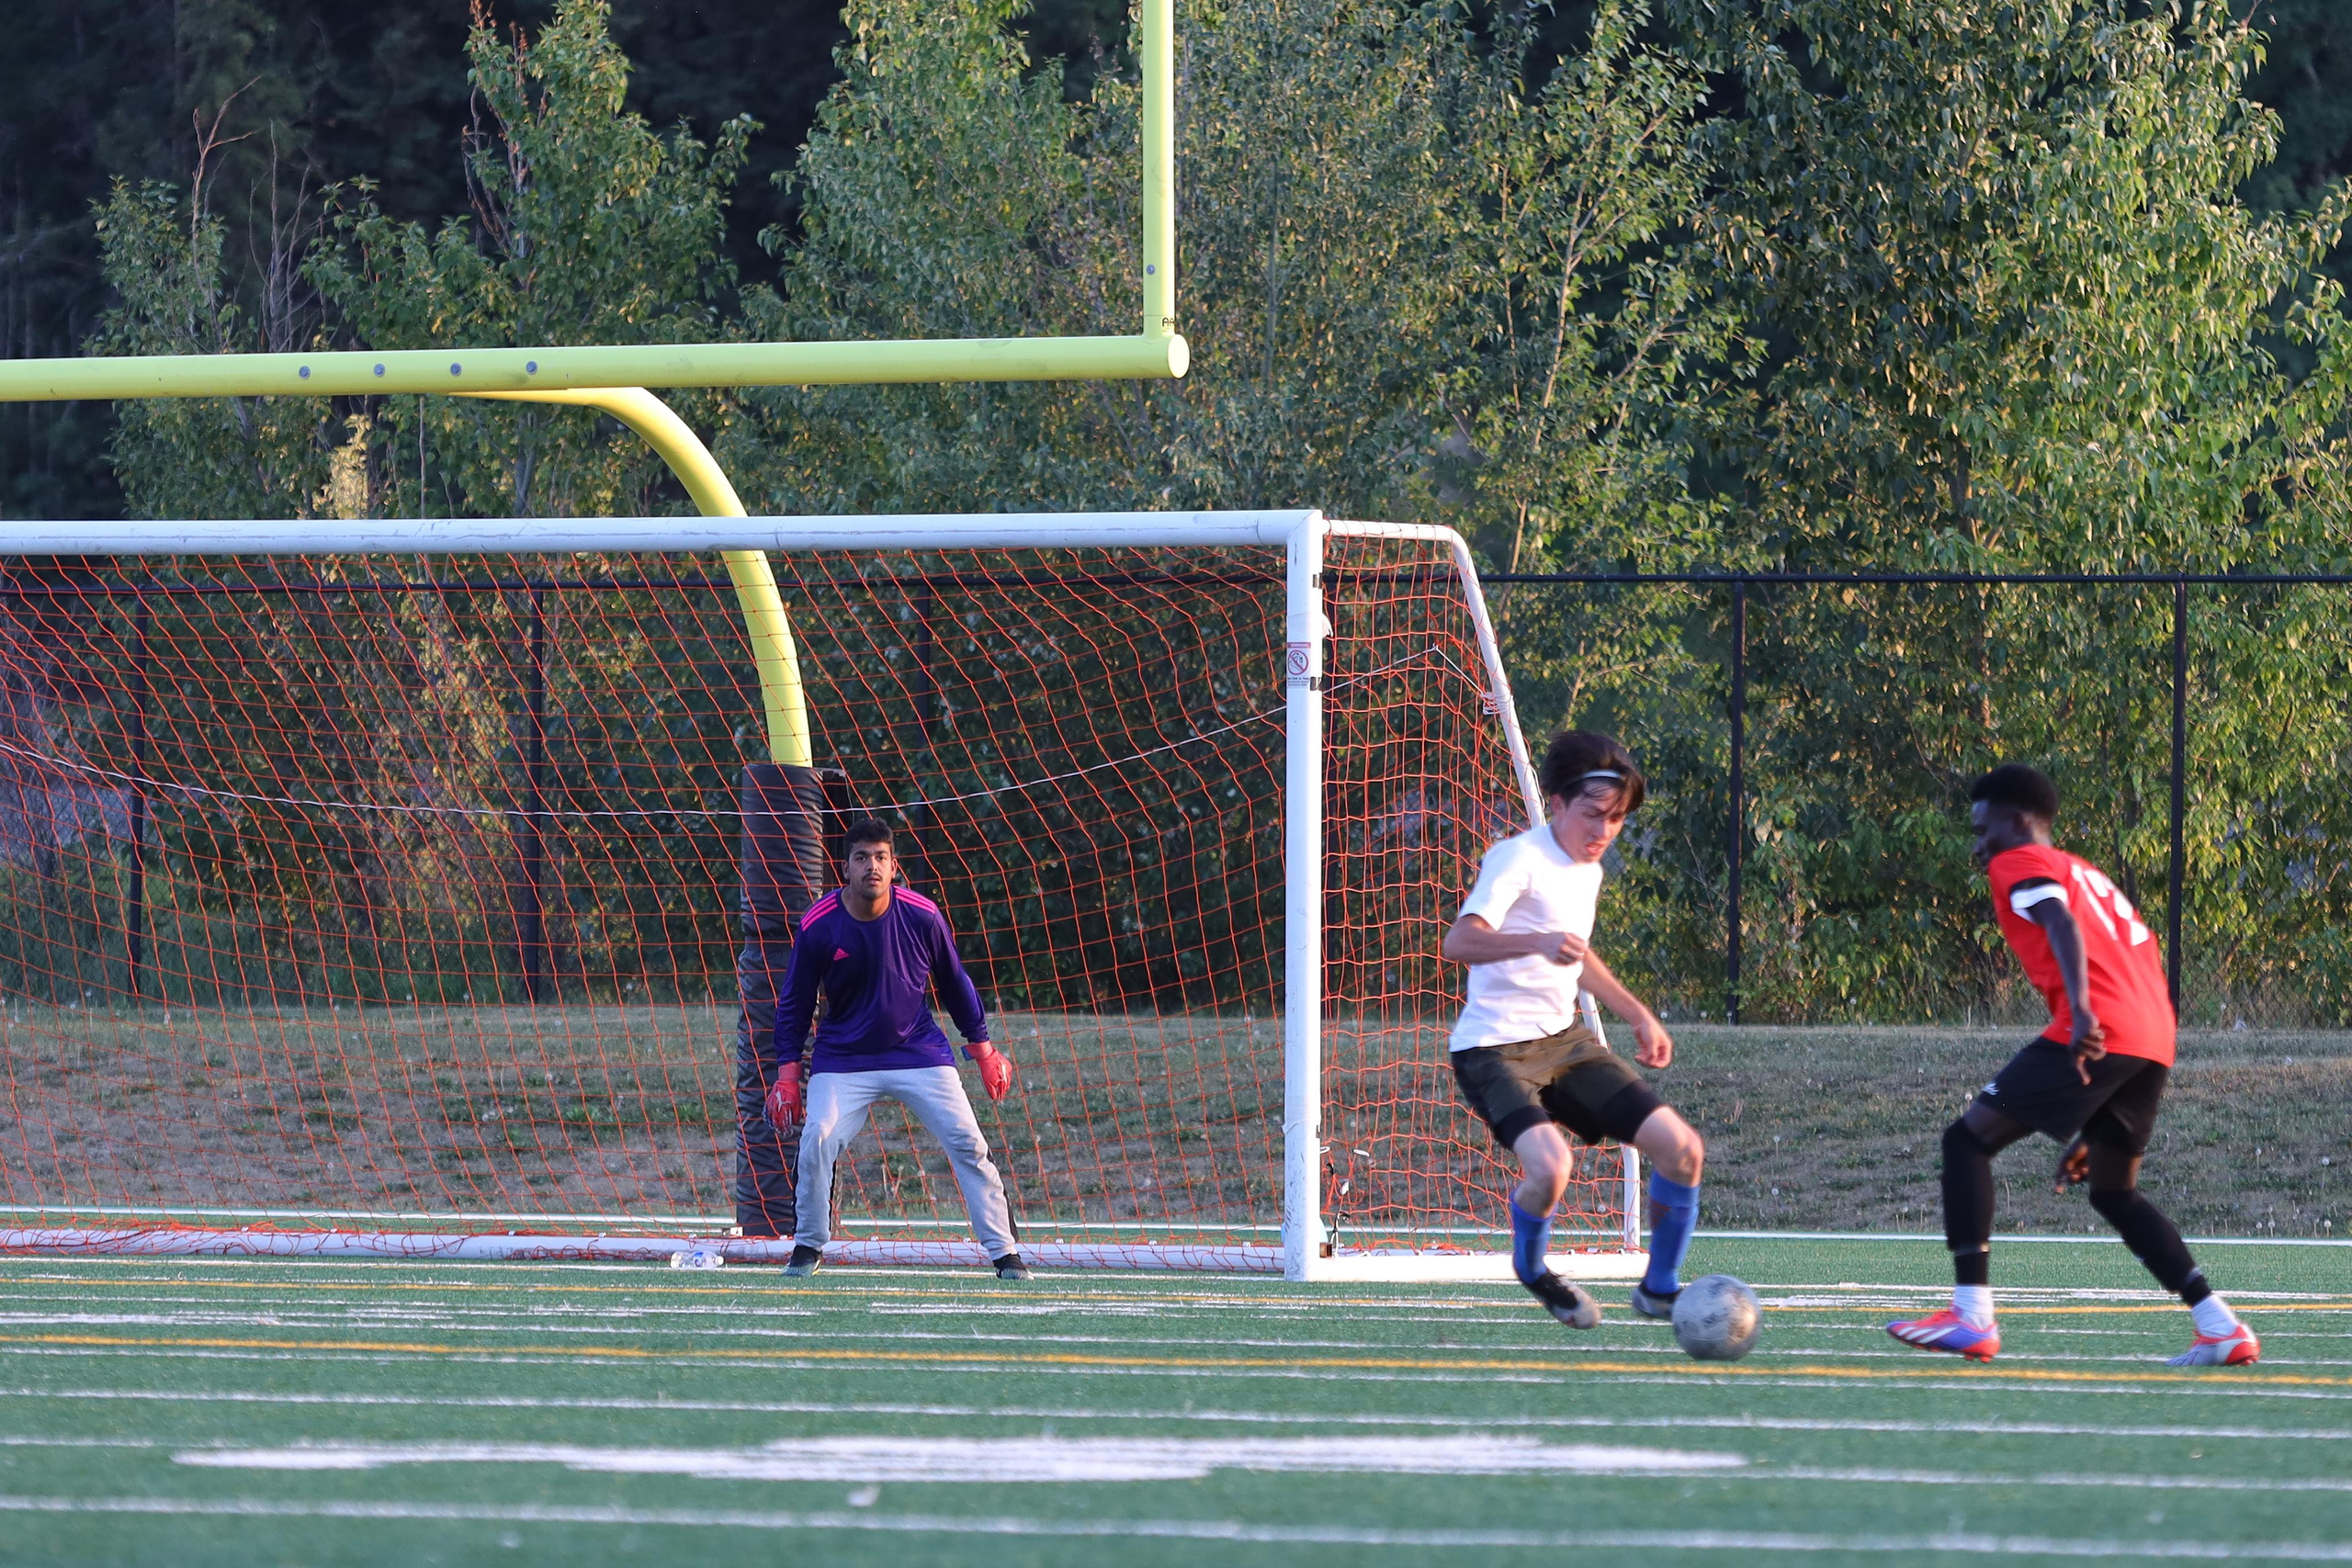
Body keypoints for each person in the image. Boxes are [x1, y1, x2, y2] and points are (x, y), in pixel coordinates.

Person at [1887, 763, 2257, 1366]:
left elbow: (2057, 920)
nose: (1979, 845)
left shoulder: (2022, 862)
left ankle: (1971, 1313)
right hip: (2151, 1034)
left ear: (2018, 821)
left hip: (2097, 1025)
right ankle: (2220, 1324)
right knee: (2114, 1191)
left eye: (1983, 829)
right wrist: (2099, 1105)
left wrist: (2083, 1011)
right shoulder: (2087, 872)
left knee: (1967, 1140)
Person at [1441, 729, 1707, 1328]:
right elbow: (1459, 940)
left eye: (1616, 819)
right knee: (1551, 1168)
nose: (1604, 831)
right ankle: (1533, 1268)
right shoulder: (1518, 857)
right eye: (1593, 814)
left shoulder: (1586, 869)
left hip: (1565, 1042)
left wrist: (1636, 1012)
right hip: (1493, 1050)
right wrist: (1531, 941)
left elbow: (1577, 954)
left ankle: (1659, 1289)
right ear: (1557, 802)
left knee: (1683, 1150)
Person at [765, 818, 1028, 1280]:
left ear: (894, 867)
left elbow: (955, 983)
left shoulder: (922, 915)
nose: (873, 866)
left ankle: (1006, 1256)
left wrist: (984, 1049)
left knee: (969, 1142)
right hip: (843, 1058)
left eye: (881, 858)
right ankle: (807, 1247)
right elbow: (794, 1003)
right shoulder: (818, 924)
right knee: (817, 1139)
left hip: (918, 1051)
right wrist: (787, 1075)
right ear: (844, 867)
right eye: (862, 857)